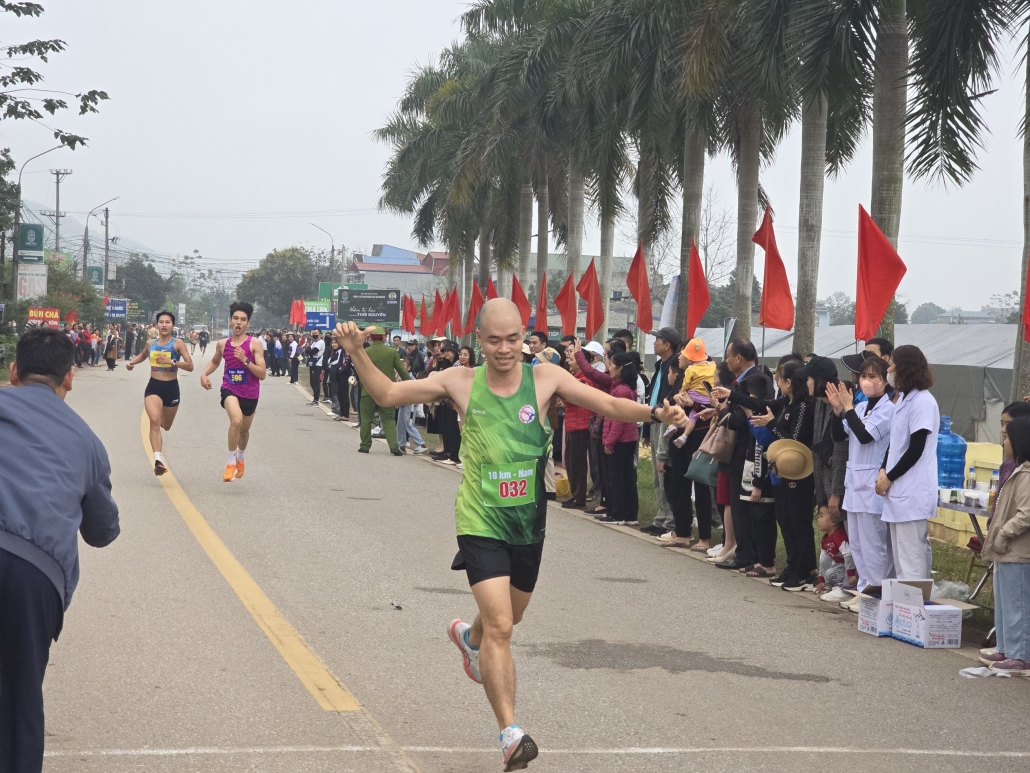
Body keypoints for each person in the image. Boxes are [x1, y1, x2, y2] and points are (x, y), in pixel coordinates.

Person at [335, 299, 686, 772]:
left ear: (524, 337)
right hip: (480, 521)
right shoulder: (459, 381)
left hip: (528, 524)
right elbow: (388, 394)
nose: (505, 349)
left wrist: (655, 415)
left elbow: (607, 403)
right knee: (501, 626)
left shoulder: (546, 378)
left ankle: (468, 638)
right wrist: (357, 352)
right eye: (494, 340)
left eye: (513, 339)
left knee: (506, 620)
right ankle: (510, 732)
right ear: (479, 341)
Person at [0, 327, 120, 773]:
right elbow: (103, 531)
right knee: (17, 702)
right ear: (69, 378)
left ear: (13, 372)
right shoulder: (86, 442)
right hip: (30, 574)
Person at [827, 357, 896, 600]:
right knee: (856, 543)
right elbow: (839, 435)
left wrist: (847, 408)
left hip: (871, 487)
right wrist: (837, 410)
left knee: (872, 544)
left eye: (872, 377)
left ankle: (874, 593)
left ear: (886, 381)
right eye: (864, 376)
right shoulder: (861, 407)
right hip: (854, 485)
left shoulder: (888, 409)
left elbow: (866, 436)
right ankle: (862, 590)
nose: (866, 381)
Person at [875, 345, 938, 580]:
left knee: (912, 559)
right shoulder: (902, 401)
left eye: (891, 365)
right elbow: (894, 442)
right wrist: (883, 470)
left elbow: (916, 448)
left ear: (904, 368)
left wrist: (889, 477)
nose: (888, 370)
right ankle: (903, 609)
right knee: (901, 560)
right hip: (896, 489)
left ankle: (916, 608)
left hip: (912, 491)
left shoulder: (923, 402)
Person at [980, 415, 1030, 675]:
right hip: (1005, 552)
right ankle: (1005, 647)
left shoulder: (1028, 475)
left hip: (1018, 552)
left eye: (1007, 438)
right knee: (1004, 602)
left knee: (1017, 604)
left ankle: (1020, 655)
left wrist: (1003, 534)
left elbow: (1026, 514)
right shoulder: (1018, 470)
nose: (1004, 442)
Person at [200, 301, 267, 482]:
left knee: (244, 432)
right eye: (235, 319)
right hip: (229, 389)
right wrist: (204, 374)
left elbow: (262, 374)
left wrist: (246, 361)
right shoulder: (223, 344)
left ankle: (240, 457)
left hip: (251, 394)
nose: (238, 323)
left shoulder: (254, 345)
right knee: (235, 420)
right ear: (230, 321)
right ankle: (230, 463)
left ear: (248, 324)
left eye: (243, 320)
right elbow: (215, 361)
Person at [126, 310, 195, 475]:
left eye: (168, 322)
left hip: (171, 388)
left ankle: (161, 424)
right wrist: (132, 362)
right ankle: (158, 460)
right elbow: (143, 355)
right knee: (155, 421)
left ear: (173, 325)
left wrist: (172, 361)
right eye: (161, 322)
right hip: (154, 386)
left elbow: (190, 366)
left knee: (166, 426)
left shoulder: (177, 344)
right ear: (157, 325)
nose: (164, 325)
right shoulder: (151, 343)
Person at [641, 327, 682, 537]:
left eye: (658, 340)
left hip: (665, 422)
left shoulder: (674, 367)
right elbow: (653, 396)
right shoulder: (659, 366)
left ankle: (670, 520)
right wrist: (647, 428)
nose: (654, 343)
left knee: (664, 469)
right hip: (654, 419)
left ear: (667, 345)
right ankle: (661, 516)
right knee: (657, 474)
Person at [357, 324, 409, 456]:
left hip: (368, 391)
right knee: (388, 419)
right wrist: (410, 385)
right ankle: (394, 446)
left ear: (370, 338)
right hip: (386, 391)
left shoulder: (365, 353)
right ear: (384, 338)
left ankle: (365, 446)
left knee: (366, 419)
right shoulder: (391, 352)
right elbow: (402, 371)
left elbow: (360, 373)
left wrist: (363, 387)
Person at [813, 507, 856, 602]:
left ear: (833, 521)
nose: (818, 520)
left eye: (821, 516)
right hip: (838, 565)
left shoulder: (839, 536)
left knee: (830, 573)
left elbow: (848, 554)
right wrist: (821, 580)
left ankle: (840, 587)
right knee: (828, 570)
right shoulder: (825, 538)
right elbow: (823, 560)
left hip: (849, 567)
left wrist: (851, 575)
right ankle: (828, 587)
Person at [305, 329, 326, 406]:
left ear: (320, 334)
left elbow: (312, 351)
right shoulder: (314, 342)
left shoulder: (320, 342)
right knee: (312, 382)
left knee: (316, 382)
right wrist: (309, 350)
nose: (314, 334)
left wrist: (309, 351)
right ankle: (314, 399)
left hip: (317, 364)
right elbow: (307, 350)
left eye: (316, 333)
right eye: (313, 333)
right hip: (312, 363)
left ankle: (316, 400)